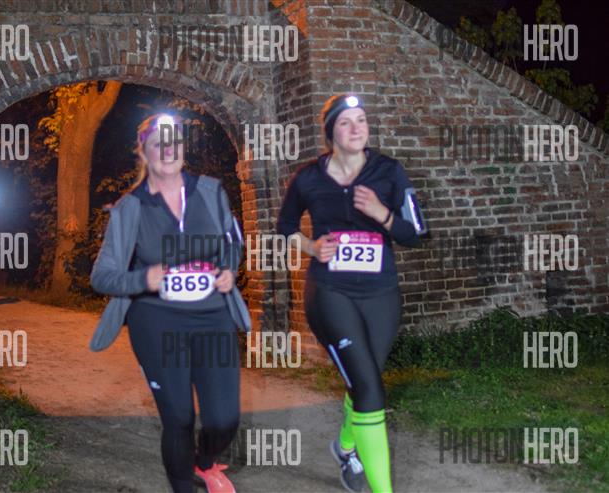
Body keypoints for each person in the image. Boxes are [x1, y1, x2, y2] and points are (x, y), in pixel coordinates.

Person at [90, 113, 250, 493]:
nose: (167, 150)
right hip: (156, 321)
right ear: (143, 151)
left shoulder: (210, 191)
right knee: (178, 417)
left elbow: (232, 241)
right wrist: (142, 278)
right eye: (157, 143)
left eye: (174, 141)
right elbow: (102, 276)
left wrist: (228, 269)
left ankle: (204, 462)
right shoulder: (130, 208)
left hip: (213, 316)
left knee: (224, 419)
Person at [277, 94, 427, 493]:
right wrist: (311, 247)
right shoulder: (308, 178)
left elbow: (416, 233)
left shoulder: (389, 172)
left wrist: (382, 214)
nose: (357, 127)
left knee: (365, 379)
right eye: (346, 121)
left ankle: (345, 447)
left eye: (362, 119)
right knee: (370, 387)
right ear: (331, 133)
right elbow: (285, 227)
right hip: (330, 292)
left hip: (381, 293)